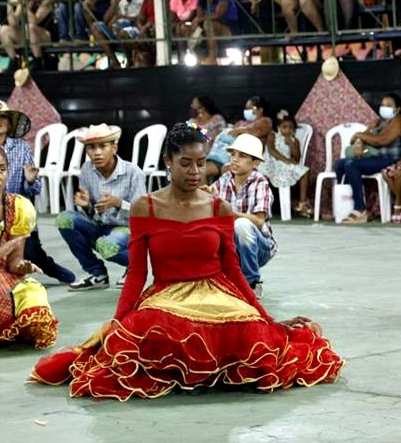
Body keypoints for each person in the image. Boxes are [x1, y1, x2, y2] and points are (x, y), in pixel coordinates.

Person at [31, 123, 342, 398]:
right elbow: (138, 273)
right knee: (143, 336)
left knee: (251, 337)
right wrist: (119, 318)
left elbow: (233, 271)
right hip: (166, 294)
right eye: (186, 164)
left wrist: (265, 316)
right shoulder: (145, 208)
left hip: (217, 293)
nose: (195, 172)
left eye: (201, 163)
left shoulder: (219, 207)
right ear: (168, 161)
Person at [0, 100, 75, 283]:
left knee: (31, 254)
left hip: (16, 214)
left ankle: (52, 270)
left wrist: (30, 181)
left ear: (9, 123)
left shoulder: (21, 147)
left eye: (2, 117)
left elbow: (36, 189)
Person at [0, 142, 58, 349]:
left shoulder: (18, 207)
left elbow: (13, 261)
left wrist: (23, 267)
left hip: (1, 273)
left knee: (32, 292)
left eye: (2, 170)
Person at [58, 124, 147, 291]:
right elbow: (92, 214)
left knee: (107, 246)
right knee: (65, 219)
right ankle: (98, 274)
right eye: (91, 147)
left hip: (128, 229)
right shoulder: (86, 170)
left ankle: (135, 267)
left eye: (103, 146)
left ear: (114, 148)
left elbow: (143, 213)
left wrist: (118, 203)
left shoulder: (133, 172)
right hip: (101, 226)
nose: (97, 152)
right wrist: (86, 206)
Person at [210, 133, 277, 298]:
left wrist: (230, 214)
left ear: (255, 162)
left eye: (242, 156)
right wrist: (206, 193)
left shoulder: (260, 182)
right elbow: (209, 197)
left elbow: (259, 221)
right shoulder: (225, 179)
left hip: (260, 246)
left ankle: (253, 283)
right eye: (233, 154)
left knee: (241, 225)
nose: (235, 159)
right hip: (233, 244)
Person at [334, 93, 401, 224]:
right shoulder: (378, 123)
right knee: (340, 164)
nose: (384, 107)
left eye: (389, 105)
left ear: (397, 109)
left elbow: (383, 140)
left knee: (351, 164)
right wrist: (359, 141)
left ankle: (360, 209)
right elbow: (354, 139)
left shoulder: (399, 120)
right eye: (382, 105)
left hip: (390, 159)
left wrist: (360, 136)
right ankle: (345, 204)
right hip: (375, 157)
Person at [206, 95, 273, 182]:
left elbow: (256, 133)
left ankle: (232, 195)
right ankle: (204, 195)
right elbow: (230, 133)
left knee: (227, 170)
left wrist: (241, 131)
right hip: (225, 155)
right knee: (203, 171)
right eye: (246, 108)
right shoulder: (241, 122)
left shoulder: (265, 121)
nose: (246, 111)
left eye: (250, 108)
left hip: (247, 157)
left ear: (260, 110)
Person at [258, 111, 312, 217]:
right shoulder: (273, 135)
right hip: (271, 163)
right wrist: (285, 160)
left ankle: (302, 202)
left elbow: (296, 159)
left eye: (291, 127)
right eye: (284, 127)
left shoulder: (294, 140)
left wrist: (291, 145)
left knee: (305, 170)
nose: (288, 130)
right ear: (278, 127)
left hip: (285, 164)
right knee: (277, 170)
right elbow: (272, 151)